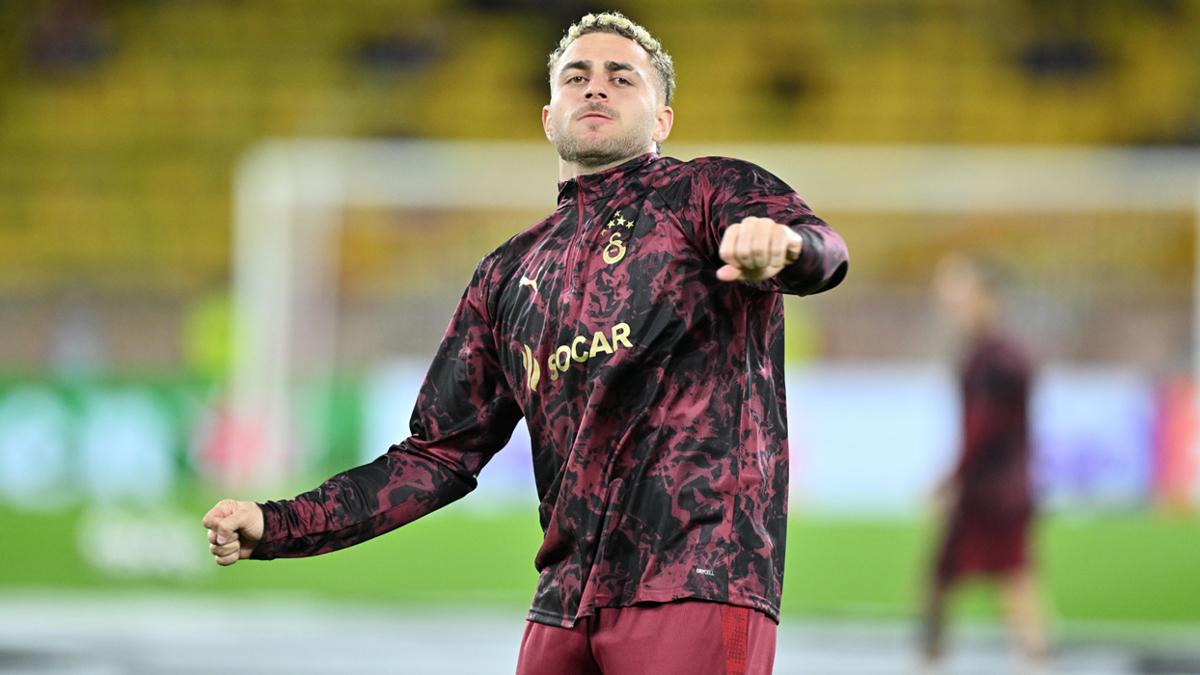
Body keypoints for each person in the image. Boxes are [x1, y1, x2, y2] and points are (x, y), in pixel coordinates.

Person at [203, 11, 848, 674]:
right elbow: (435, 454)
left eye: (622, 77)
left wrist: (786, 248)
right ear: (548, 117)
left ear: (662, 120)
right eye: (577, 76)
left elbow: (825, 250)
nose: (596, 87)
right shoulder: (508, 273)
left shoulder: (709, 192)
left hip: (698, 580)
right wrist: (279, 523)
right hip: (563, 602)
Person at [922, 254, 1048, 672]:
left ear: (986, 298)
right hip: (1005, 485)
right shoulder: (997, 354)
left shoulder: (995, 360)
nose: (952, 307)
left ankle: (933, 655)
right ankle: (1031, 654)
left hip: (993, 489)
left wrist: (952, 477)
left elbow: (983, 427)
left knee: (990, 573)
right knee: (1001, 573)